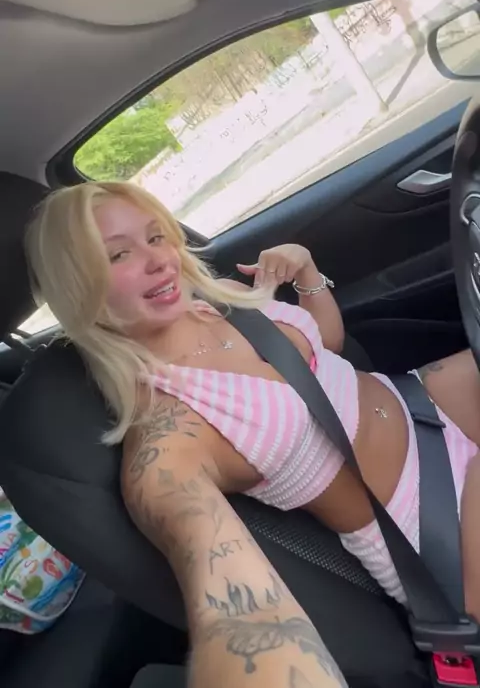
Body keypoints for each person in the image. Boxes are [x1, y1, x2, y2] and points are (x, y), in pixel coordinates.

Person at [23, 181, 480, 684]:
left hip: (424, 407)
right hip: (434, 526)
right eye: (119, 255)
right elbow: (242, 615)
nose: (158, 261)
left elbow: (323, 347)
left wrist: (307, 273)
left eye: (156, 237)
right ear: (78, 285)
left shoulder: (221, 299)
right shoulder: (169, 435)